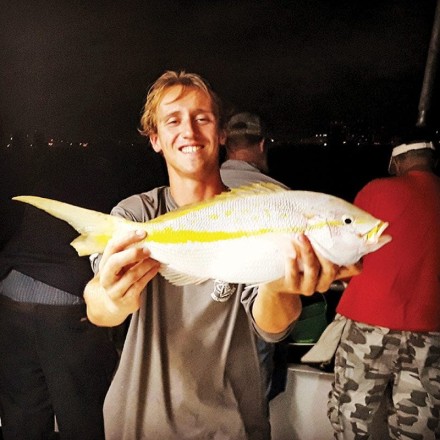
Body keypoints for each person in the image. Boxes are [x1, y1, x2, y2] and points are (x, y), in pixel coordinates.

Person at [84, 70, 359, 439]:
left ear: (222, 133)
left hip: (233, 425)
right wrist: (112, 297)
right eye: (173, 120)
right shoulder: (137, 215)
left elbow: (272, 327)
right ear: (156, 139)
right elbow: (97, 304)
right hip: (140, 422)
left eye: (203, 118)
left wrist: (280, 286)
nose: (190, 131)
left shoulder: (257, 211)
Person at [0, 149, 119, 439]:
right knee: (82, 413)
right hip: (65, 304)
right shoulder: (102, 192)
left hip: (11, 294)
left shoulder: (40, 187)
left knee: (22, 415)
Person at [327, 140, 440, 439]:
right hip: (431, 328)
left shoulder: (377, 189)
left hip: (369, 320)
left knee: (351, 411)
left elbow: (346, 250)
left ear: (396, 163)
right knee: (419, 420)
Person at [220, 111, 289, 403]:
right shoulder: (282, 197)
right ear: (262, 145)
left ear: (226, 144)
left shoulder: (197, 192)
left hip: (201, 333)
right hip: (255, 332)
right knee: (249, 417)